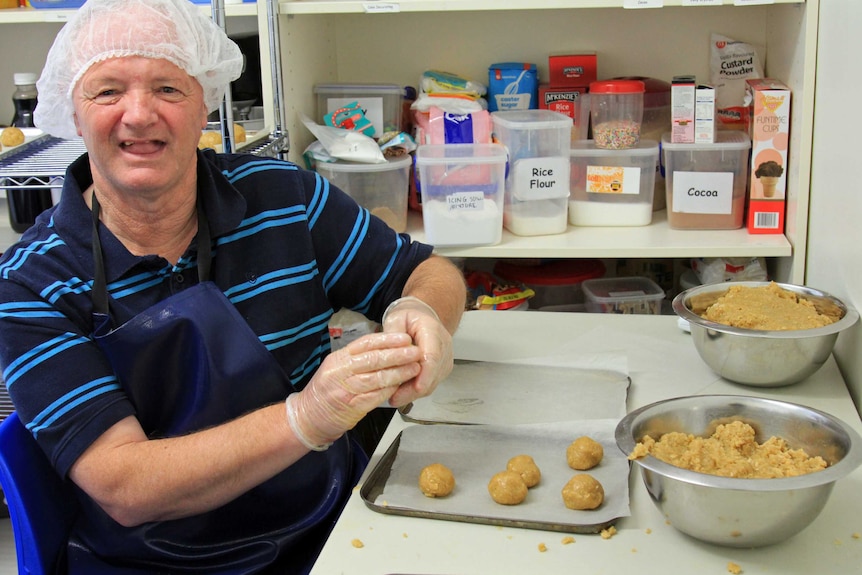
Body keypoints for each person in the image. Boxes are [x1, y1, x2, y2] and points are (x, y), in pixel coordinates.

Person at [0, 0, 465, 573]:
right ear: (74, 113)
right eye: (107, 91)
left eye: (169, 89)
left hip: (329, 529)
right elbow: (125, 485)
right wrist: (307, 417)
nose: (139, 115)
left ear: (206, 104)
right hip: (153, 561)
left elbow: (426, 269)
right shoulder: (28, 282)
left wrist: (423, 310)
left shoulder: (284, 197)